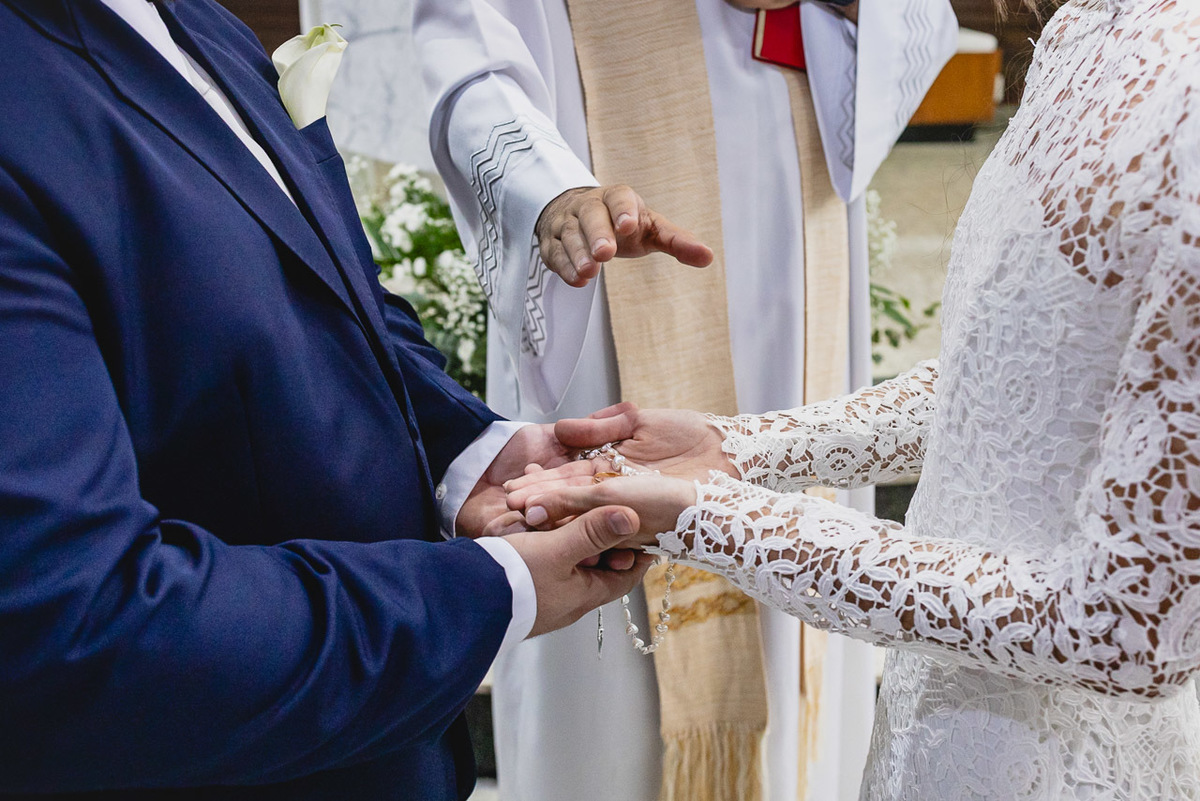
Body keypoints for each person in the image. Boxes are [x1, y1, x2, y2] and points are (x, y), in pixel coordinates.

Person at [507, 0, 1200, 797]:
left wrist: (715, 518)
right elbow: (1019, 386)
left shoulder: (1185, 98)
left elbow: (1128, 631)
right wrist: (742, 448)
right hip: (930, 731)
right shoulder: (1086, 28)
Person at [0, 1, 652, 798]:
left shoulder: (198, 21)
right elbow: (82, 628)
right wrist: (488, 589)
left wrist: (475, 454)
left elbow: (342, 298)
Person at [412, 1, 957, 797]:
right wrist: (549, 186)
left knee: (794, 535)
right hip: (600, 156)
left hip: (789, 172)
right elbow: (469, 33)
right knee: (605, 518)